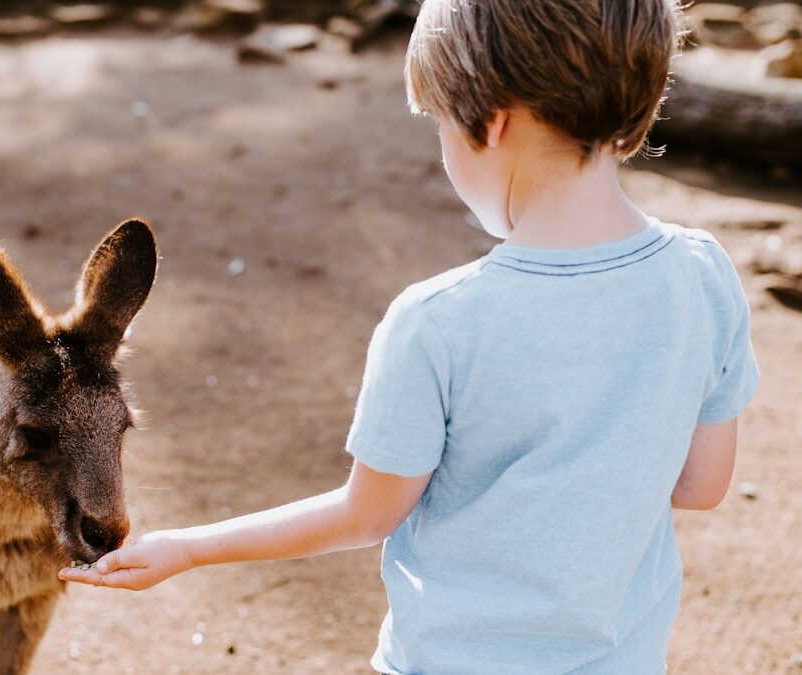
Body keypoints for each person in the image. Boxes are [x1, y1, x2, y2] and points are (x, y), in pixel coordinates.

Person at [60, 1, 761, 672]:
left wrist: (187, 548)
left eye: (441, 127)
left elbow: (366, 513)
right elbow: (701, 484)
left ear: (490, 124)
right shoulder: (702, 274)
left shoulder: (439, 321)